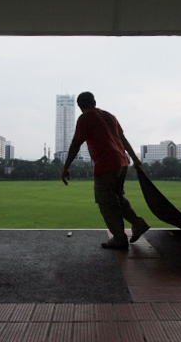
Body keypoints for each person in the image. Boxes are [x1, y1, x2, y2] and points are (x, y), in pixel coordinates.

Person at [62, 92, 150, 250]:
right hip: (122, 162)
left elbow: (76, 143)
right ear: (94, 102)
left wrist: (66, 166)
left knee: (106, 202)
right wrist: (135, 159)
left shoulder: (85, 118)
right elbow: (122, 139)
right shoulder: (110, 116)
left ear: (80, 106)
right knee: (117, 198)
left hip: (106, 164)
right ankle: (138, 223)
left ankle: (119, 238)